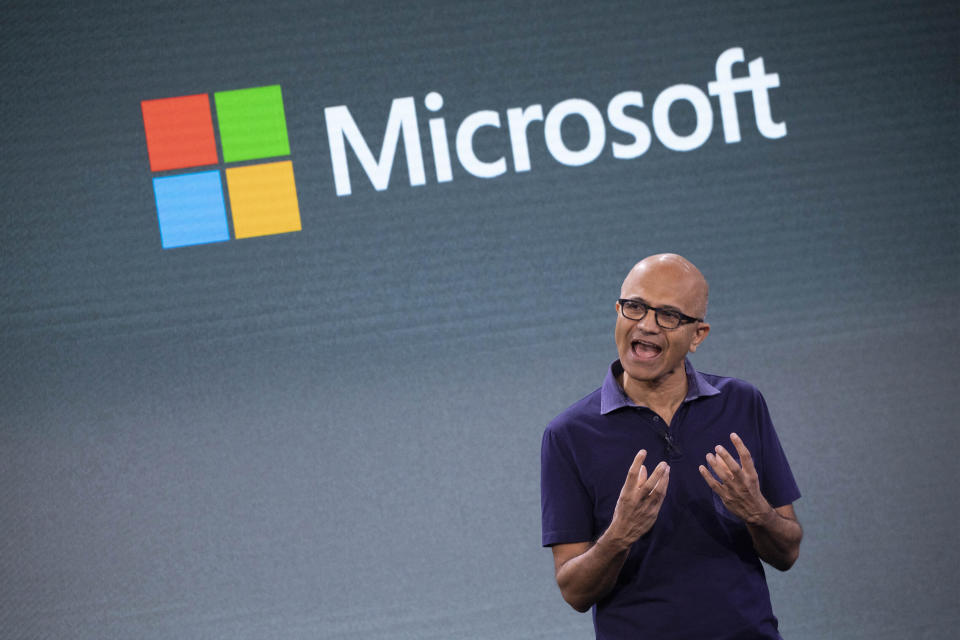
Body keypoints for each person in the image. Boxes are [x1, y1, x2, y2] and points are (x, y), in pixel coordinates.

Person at [540, 254, 802, 639]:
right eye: (635, 307)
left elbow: (787, 552)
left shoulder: (741, 404)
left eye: (668, 315)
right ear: (618, 311)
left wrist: (757, 512)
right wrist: (619, 535)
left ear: (697, 335)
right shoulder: (569, 435)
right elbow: (574, 591)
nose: (646, 325)